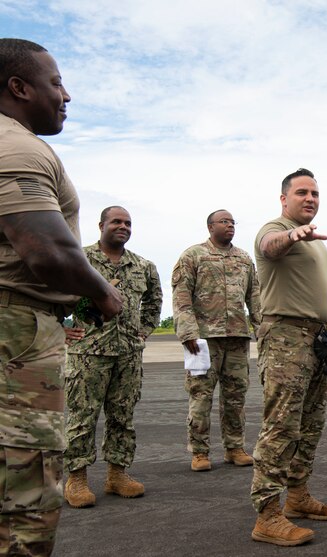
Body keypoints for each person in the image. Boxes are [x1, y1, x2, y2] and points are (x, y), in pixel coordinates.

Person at [0, 38, 123, 555]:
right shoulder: (17, 147)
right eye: (55, 83)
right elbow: (47, 251)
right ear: (19, 87)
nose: (65, 95)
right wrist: (103, 293)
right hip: (16, 334)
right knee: (26, 497)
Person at [250, 168, 327, 547]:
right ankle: (268, 515)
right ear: (284, 198)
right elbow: (269, 246)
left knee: (310, 423)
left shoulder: (316, 240)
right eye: (302, 192)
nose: (310, 199)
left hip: (317, 339)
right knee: (281, 426)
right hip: (286, 337)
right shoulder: (275, 229)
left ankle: (298, 496)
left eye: (315, 193)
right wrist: (291, 235)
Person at [62, 206, 162, 508]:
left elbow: (154, 301)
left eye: (128, 223)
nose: (123, 227)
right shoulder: (80, 260)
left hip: (128, 354)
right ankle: (77, 478)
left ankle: (117, 474)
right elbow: (56, 295)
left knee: (122, 416)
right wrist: (60, 327)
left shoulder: (143, 266)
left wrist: (143, 331)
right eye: (116, 222)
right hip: (88, 353)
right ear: (101, 225)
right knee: (82, 417)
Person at [172, 210, 262, 472]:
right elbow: (181, 296)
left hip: (237, 337)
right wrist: (188, 332)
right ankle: (199, 452)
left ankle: (234, 447)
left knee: (236, 396)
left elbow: (255, 296)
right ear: (210, 227)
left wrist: (261, 329)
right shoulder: (193, 256)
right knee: (201, 395)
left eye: (233, 222)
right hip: (202, 340)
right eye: (224, 221)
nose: (230, 225)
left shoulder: (244, 258)